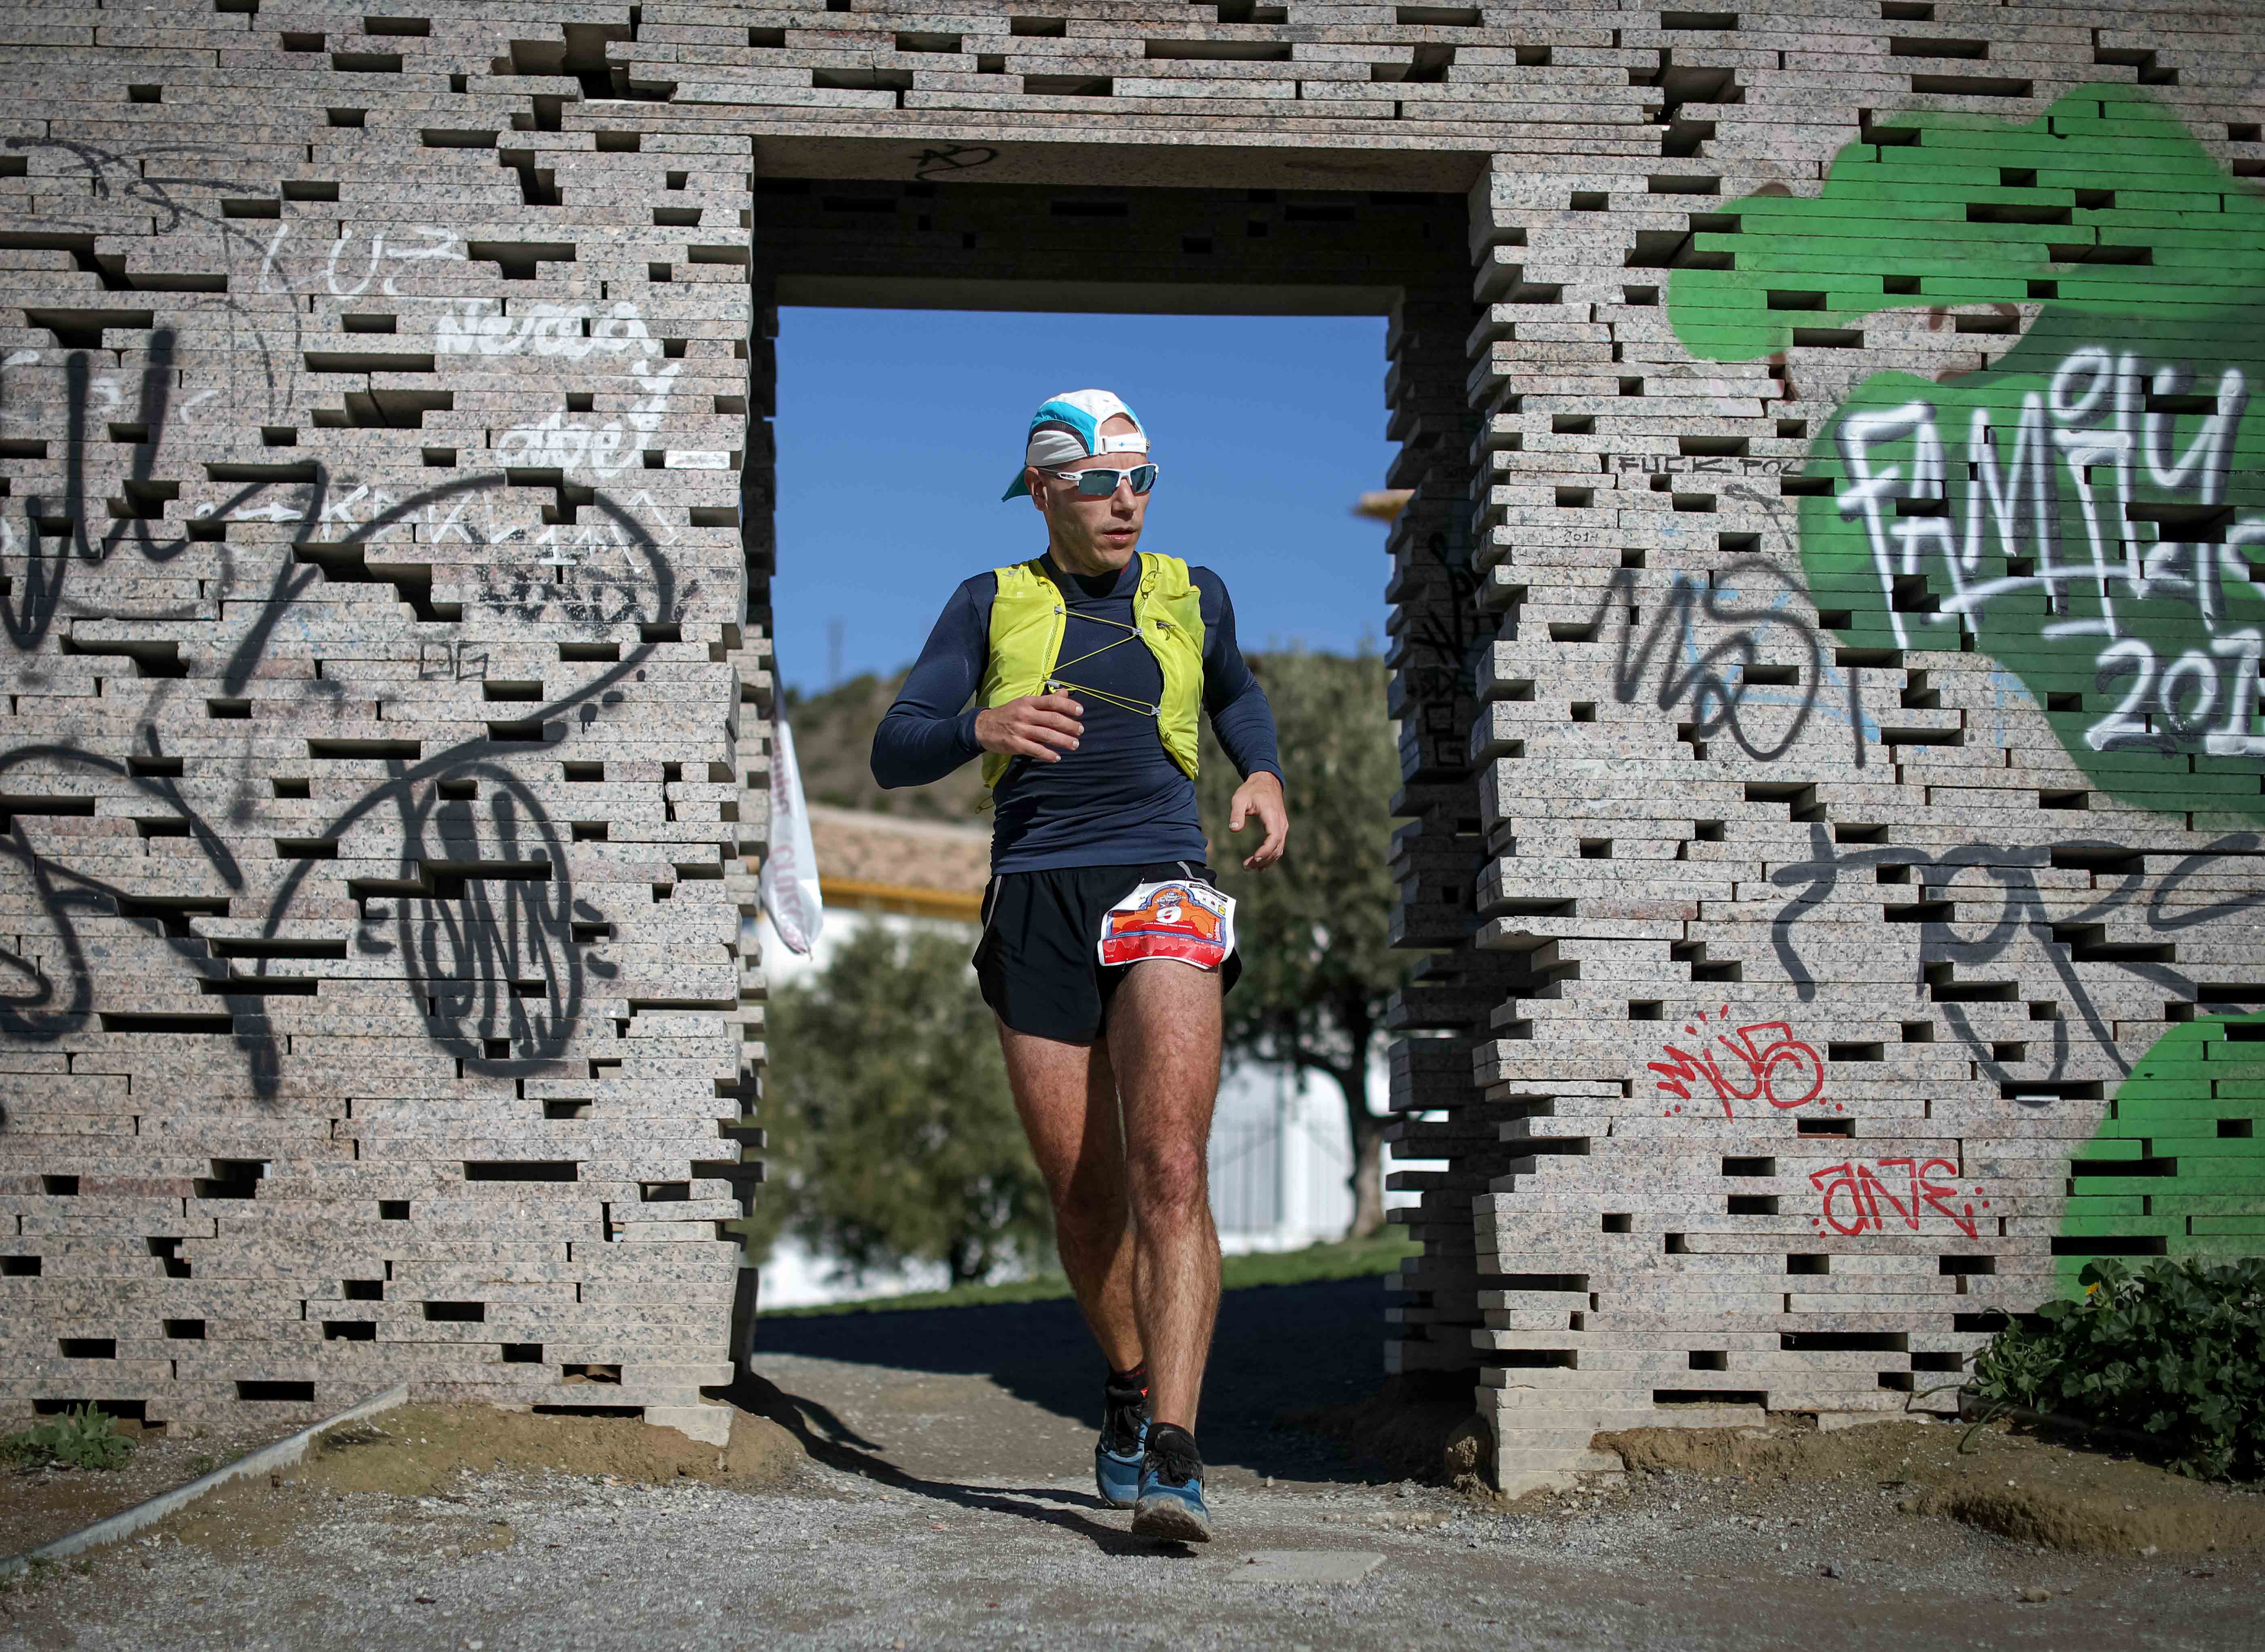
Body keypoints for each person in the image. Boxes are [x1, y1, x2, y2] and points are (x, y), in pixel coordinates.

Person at [871, 390, 1288, 1542]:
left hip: (1162, 878)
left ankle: (1177, 1452)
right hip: (1037, 895)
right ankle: (1127, 1383)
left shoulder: (1192, 592)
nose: (1126, 502)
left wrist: (1261, 771)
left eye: (1142, 479)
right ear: (1045, 487)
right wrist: (981, 727)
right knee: (1086, 1193)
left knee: (1168, 1165)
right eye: (1101, 481)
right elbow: (895, 741)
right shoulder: (987, 600)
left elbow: (1239, 693)